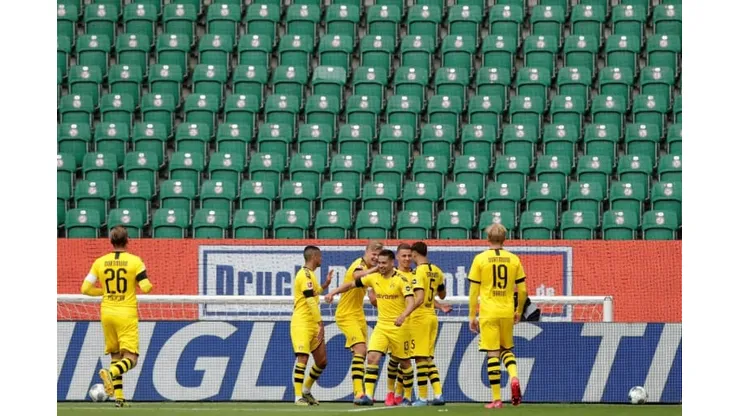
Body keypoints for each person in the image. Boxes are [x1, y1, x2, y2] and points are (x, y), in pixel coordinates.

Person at [325, 250, 423, 407]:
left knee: (405, 363)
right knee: (372, 358)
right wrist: (333, 292)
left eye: (384, 263)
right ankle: (368, 396)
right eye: (379, 263)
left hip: (399, 327)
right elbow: (351, 284)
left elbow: (411, 301)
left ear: (392, 263)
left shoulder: (401, 280)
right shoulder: (373, 277)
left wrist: (403, 315)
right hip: (381, 327)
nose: (381, 266)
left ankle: (407, 396)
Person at [81, 226, 154, 408]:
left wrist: (105, 292)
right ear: (127, 240)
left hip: (107, 313)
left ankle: (119, 399)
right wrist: (144, 283)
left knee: (116, 355)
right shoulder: (135, 261)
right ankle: (110, 372)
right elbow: (146, 287)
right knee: (131, 358)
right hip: (126, 313)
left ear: (111, 241)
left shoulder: (99, 262)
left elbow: (85, 289)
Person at [468, 224, 527, 409]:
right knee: (506, 349)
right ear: (504, 239)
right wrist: (518, 311)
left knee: (492, 354)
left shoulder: (480, 259)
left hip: (488, 312)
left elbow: (473, 291)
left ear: (487, 238)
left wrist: (472, 315)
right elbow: (523, 290)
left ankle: (497, 399)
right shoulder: (514, 259)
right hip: (507, 311)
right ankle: (514, 376)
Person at [334, 240, 383, 400]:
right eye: (373, 254)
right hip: (346, 314)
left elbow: (373, 299)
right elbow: (356, 276)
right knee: (360, 350)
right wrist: (376, 269)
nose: (375, 258)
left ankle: (363, 392)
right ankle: (358, 393)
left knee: (362, 353)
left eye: (378, 255)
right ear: (366, 252)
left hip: (358, 315)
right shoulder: (359, 264)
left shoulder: (371, 273)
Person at [290, 245, 334, 406]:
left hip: (312, 323)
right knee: (303, 357)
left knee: (322, 361)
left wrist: (325, 285)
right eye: (320, 257)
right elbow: (309, 301)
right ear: (314, 257)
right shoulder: (304, 274)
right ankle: (297, 397)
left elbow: (313, 294)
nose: (321, 259)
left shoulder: (311, 275)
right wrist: (320, 322)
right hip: (302, 323)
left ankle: (306, 390)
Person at [409, 241, 447, 406]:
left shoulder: (418, 272)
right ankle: (438, 395)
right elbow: (443, 294)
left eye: (411, 255)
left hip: (420, 317)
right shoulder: (437, 270)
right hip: (432, 316)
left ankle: (423, 397)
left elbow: (418, 298)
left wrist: (405, 314)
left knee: (420, 359)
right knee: (428, 358)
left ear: (415, 254)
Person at [383, 243, 418, 406]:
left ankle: (401, 394)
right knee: (394, 359)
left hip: (412, 324)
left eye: (409, 256)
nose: (407, 259)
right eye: (403, 255)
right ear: (397, 257)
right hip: (394, 324)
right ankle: (393, 393)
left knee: (404, 360)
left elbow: (420, 297)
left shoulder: (416, 275)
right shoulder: (390, 275)